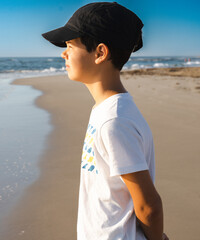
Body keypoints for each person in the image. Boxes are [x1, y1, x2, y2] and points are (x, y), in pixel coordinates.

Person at [42, 2, 168, 240]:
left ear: (100, 53)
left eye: (70, 45)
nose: (63, 53)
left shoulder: (114, 121)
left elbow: (148, 205)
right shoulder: (106, 111)